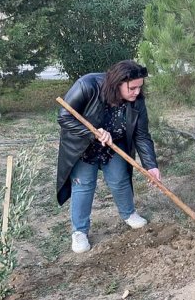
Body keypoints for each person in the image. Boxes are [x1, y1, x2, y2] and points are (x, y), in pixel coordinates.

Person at [56, 60, 161, 253]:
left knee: (120, 180)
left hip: (114, 145)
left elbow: (142, 135)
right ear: (118, 83)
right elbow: (64, 116)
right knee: (84, 185)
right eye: (132, 88)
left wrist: (151, 165)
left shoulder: (137, 101)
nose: (137, 92)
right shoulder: (87, 86)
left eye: (140, 87)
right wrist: (92, 133)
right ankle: (79, 232)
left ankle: (129, 214)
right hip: (83, 145)